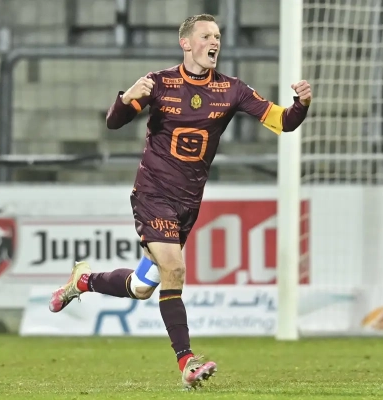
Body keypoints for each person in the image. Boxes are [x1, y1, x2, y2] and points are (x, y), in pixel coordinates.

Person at [49, 13, 312, 389]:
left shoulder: (232, 89)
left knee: (142, 287)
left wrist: (301, 103)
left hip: (188, 204)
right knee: (174, 269)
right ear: (185, 43)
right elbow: (113, 122)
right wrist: (126, 98)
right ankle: (187, 362)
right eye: (206, 36)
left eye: (217, 36)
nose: (214, 42)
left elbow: (283, 122)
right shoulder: (159, 83)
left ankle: (83, 281)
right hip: (152, 194)